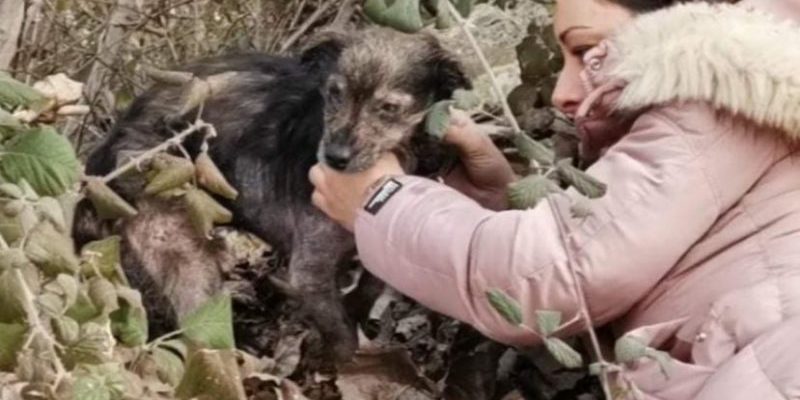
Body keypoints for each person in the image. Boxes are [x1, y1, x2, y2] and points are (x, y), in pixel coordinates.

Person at [309, 0, 800, 398]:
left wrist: (381, 201)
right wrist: (498, 199)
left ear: (681, 18)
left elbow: (551, 277)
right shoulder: (742, 93)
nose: (564, 92)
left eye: (588, 51)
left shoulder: (717, 98)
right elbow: (603, 264)